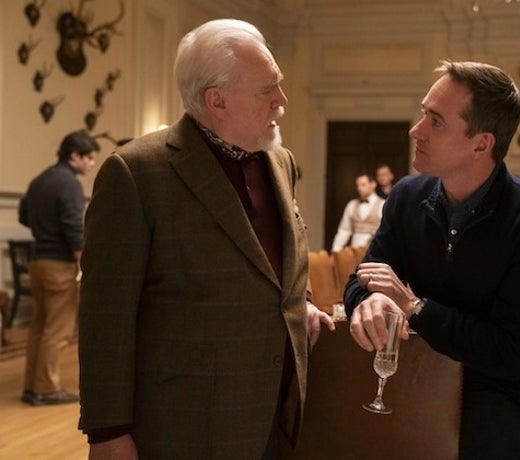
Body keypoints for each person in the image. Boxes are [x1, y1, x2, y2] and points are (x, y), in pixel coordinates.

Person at [77, 19, 334, 459]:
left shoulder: (281, 162)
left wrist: (302, 301)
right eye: (267, 89)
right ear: (217, 100)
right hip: (186, 423)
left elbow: (277, 259)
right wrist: (108, 432)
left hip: (278, 414)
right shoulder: (137, 174)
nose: (282, 100)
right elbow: (105, 317)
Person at [343, 60, 520, 459]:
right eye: (424, 114)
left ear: (481, 144)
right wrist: (370, 299)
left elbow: (510, 353)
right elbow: (361, 280)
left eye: (436, 121)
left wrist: (414, 307)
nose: (416, 130)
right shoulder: (407, 198)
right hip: (464, 377)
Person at [18, 129, 99, 406]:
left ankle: (32, 387)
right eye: (89, 158)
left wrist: (45, 230)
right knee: (58, 330)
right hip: (59, 265)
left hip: (37, 261)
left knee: (39, 327)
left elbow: (24, 214)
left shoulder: (40, 179)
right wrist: (83, 262)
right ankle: (46, 389)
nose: (92, 163)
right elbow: (73, 227)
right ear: (74, 155)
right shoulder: (70, 184)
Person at [330, 173, 385, 252]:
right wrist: (336, 249)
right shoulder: (351, 205)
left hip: (375, 251)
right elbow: (344, 230)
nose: (359, 188)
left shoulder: (383, 204)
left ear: (373, 185)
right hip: (354, 251)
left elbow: (386, 231)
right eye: (357, 185)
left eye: (363, 185)